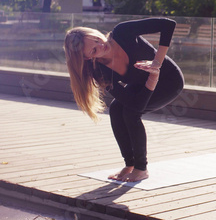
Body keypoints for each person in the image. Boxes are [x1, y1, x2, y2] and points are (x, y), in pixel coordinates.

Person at [63, 17, 184, 183]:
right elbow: (136, 103)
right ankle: (130, 165)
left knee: (130, 113)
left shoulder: (122, 32)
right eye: (93, 51)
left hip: (169, 81)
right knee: (116, 109)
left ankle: (141, 168)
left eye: (97, 39)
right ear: (86, 58)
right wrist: (151, 79)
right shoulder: (100, 71)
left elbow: (168, 24)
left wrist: (157, 63)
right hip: (144, 84)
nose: (101, 45)